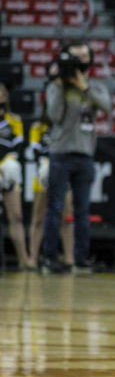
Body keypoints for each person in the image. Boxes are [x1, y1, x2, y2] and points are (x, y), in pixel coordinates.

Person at [40, 41, 111, 274]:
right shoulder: (56, 86)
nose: (79, 61)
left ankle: (81, 258)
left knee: (82, 210)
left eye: (84, 56)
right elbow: (55, 116)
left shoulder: (95, 86)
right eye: (75, 56)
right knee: (56, 206)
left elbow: (106, 107)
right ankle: (50, 256)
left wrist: (83, 87)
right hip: (61, 153)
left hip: (85, 154)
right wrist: (61, 85)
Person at [26, 112, 75, 270]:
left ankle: (69, 257)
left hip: (62, 173)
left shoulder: (65, 127)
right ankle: (33, 257)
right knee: (38, 217)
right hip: (43, 173)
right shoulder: (38, 128)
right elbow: (33, 151)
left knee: (67, 216)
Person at [0, 83, 34, 270]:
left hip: (8, 170)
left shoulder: (14, 120)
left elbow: (18, 147)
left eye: (1, 93)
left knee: (17, 216)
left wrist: (6, 166)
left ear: (5, 97)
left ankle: (24, 259)